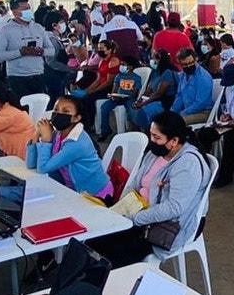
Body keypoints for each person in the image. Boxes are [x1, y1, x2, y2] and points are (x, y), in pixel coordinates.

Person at [87, 111, 210, 267]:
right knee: (95, 236)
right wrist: (121, 208)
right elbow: (135, 184)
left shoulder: (188, 164)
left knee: (114, 252)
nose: (152, 141)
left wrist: (136, 219)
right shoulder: (155, 153)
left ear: (174, 141)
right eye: (151, 135)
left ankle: (114, 284)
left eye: (157, 138)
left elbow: (174, 208)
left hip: (169, 225)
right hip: (140, 213)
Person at [27, 96, 113, 201]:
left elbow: (43, 168)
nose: (58, 114)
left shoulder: (77, 143)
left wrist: (46, 141)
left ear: (76, 118)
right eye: (56, 109)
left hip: (95, 195)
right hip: (71, 189)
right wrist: (36, 135)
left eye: (66, 111)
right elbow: (31, 164)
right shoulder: (58, 133)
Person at [0, 0, 48, 100]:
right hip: (17, 78)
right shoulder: (5, 30)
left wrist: (42, 51)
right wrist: (20, 52)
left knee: (39, 110)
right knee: (22, 111)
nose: (28, 11)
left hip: (38, 75)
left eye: (29, 8)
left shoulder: (38, 28)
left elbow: (52, 50)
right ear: (14, 12)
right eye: (24, 9)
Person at [70, 39, 120, 127]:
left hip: (111, 88)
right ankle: (83, 123)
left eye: (102, 48)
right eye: (99, 48)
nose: (99, 50)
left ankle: (90, 124)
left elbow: (109, 82)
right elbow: (98, 79)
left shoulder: (113, 61)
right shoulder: (101, 61)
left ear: (109, 50)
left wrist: (92, 91)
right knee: (82, 99)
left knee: (90, 98)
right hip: (101, 86)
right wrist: (86, 90)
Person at [160, 48, 214, 127]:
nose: (188, 66)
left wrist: (182, 113)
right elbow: (180, 96)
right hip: (187, 110)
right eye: (185, 64)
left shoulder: (203, 77)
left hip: (203, 112)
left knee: (176, 123)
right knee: (165, 119)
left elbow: (201, 103)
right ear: (180, 64)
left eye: (191, 63)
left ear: (196, 59)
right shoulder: (183, 75)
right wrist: (172, 111)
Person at [94, 56, 141, 139]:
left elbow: (134, 93)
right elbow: (114, 90)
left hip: (129, 98)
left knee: (132, 109)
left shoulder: (136, 78)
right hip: (117, 98)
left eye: (123, 64)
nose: (121, 66)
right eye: (121, 64)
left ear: (130, 67)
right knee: (104, 107)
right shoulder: (119, 76)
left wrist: (128, 95)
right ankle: (105, 130)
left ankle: (135, 130)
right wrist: (113, 96)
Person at [128, 50, 177, 131]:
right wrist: (140, 99)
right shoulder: (155, 71)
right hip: (153, 99)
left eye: (154, 59)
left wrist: (144, 103)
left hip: (165, 102)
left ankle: (148, 133)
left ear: (161, 60)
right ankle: (137, 133)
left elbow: (158, 93)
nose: (152, 61)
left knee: (143, 111)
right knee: (133, 108)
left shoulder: (167, 72)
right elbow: (149, 89)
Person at [42, 11, 74, 100]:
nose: (64, 24)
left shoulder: (52, 38)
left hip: (54, 76)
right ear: (54, 25)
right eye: (61, 22)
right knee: (55, 100)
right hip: (53, 76)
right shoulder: (50, 39)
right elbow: (51, 62)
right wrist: (70, 69)